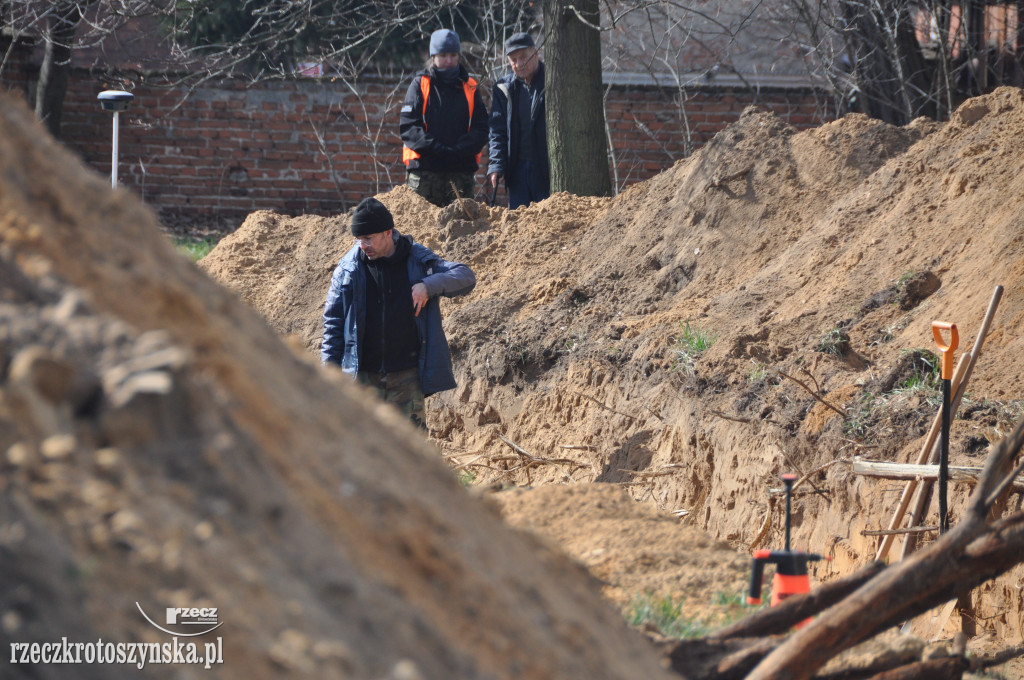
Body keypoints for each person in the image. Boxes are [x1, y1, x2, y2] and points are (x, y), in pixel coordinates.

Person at [321, 197, 476, 428]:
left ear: (388, 233)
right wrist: (327, 377)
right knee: (364, 456)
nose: (362, 245)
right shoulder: (348, 270)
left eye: (368, 238)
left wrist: (428, 285)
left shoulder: (416, 260)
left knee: (411, 456)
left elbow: (465, 276)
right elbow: (333, 325)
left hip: (406, 379)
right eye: (359, 239)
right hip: (362, 379)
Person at [400, 29, 489, 207]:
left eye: (453, 55)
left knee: (462, 230)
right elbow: (409, 128)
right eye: (443, 55)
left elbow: (481, 129)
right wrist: (437, 149)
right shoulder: (420, 84)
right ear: (433, 56)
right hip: (425, 174)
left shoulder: (470, 86)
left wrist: (458, 150)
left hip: (460, 173)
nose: (449, 61)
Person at [488, 32, 550, 210]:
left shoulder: (551, 82)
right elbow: (497, 131)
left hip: (546, 171)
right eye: (513, 60)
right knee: (518, 226)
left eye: (523, 57)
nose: (519, 64)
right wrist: (496, 164)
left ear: (536, 53)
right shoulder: (504, 89)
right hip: (517, 172)